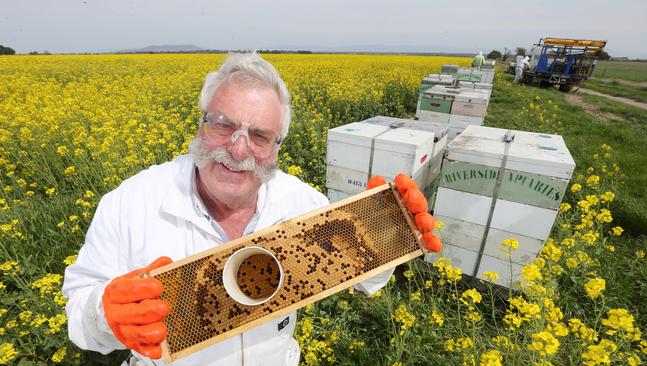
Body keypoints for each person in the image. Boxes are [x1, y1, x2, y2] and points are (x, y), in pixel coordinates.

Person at [62, 52, 403, 366]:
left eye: (259, 136)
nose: (238, 150)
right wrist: (102, 313)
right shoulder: (131, 203)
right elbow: (79, 316)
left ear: (277, 147)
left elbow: (363, 277)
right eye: (223, 125)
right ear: (201, 124)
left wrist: (387, 231)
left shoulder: (302, 202)